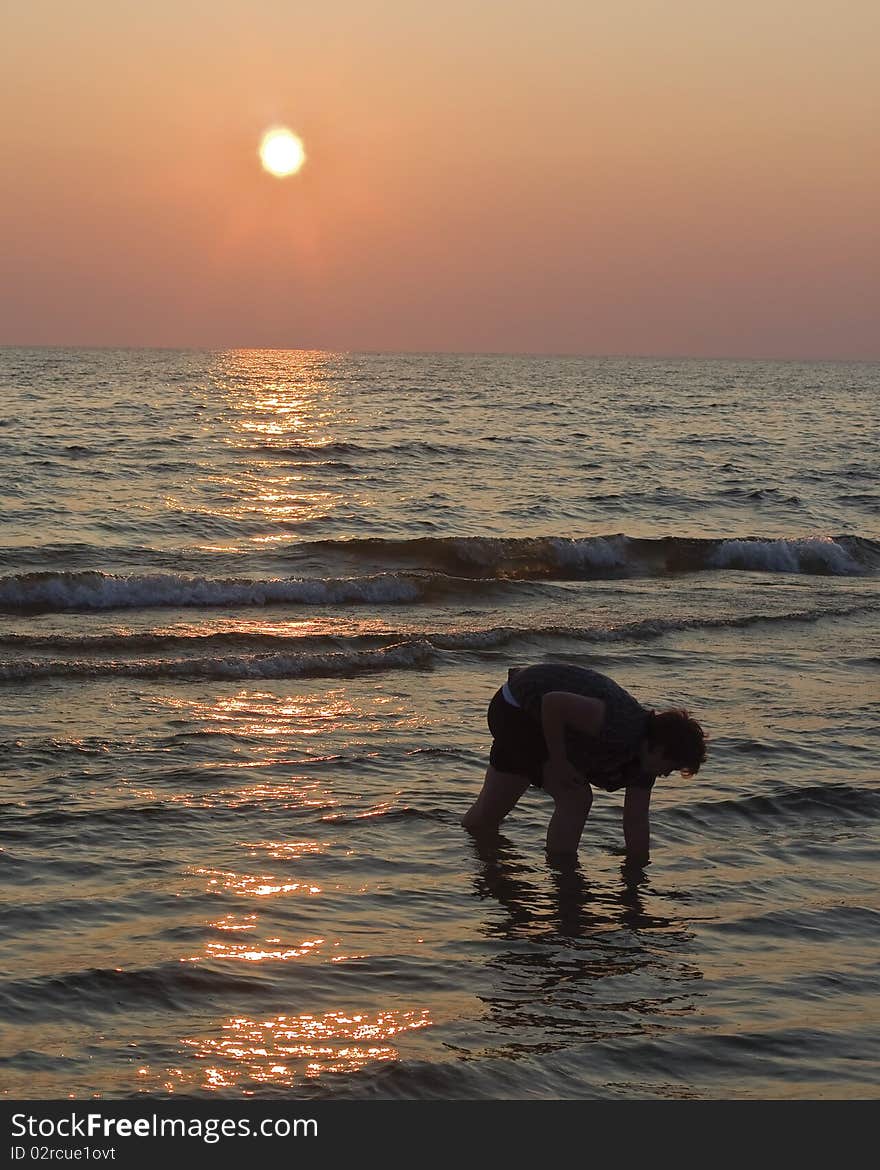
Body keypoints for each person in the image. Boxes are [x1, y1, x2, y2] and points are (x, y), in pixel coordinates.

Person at [461, 663, 707, 862]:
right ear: (660, 749)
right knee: (576, 797)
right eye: (672, 767)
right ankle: (563, 873)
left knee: (486, 817)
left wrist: (637, 877)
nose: (666, 774)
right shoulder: (618, 723)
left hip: (534, 715)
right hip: (517, 708)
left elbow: (636, 821)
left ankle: (471, 853)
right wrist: (558, 762)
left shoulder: (645, 762)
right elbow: (553, 703)